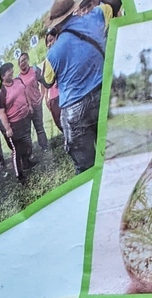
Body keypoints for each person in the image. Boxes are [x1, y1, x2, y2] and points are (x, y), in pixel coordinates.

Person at [42, 0, 122, 173]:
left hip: (74, 110)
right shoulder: (97, 16)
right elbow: (114, 3)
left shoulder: (53, 54)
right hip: (104, 94)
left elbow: (47, 81)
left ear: (56, 24)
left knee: (85, 166)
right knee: (115, 151)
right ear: (72, 10)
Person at [0, 61, 36, 181]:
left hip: (25, 118)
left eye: (11, 69)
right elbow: (1, 112)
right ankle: (19, 175)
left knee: (28, 143)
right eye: (8, 70)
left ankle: (27, 163)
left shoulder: (18, 81)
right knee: (17, 150)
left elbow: (25, 93)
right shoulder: (2, 92)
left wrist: (29, 105)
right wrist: (8, 128)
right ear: (3, 76)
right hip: (14, 124)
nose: (11, 71)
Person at [17, 52, 49, 152]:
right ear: (18, 64)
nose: (23, 62)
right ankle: (29, 151)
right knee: (27, 132)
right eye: (21, 61)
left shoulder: (34, 70)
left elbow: (43, 81)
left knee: (39, 127)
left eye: (24, 60)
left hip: (37, 104)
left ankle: (44, 147)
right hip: (26, 109)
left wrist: (42, 94)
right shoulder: (18, 78)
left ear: (28, 60)